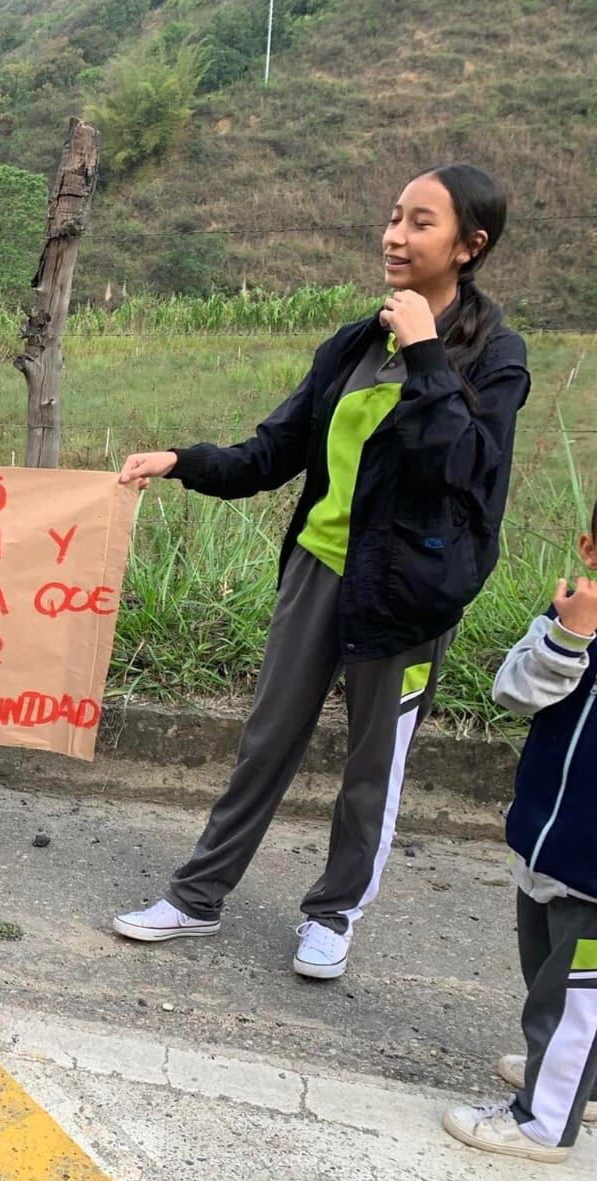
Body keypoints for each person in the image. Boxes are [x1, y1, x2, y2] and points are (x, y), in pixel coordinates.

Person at [112, 164, 529, 979]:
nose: (395, 236)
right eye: (394, 217)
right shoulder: (354, 343)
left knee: (373, 766)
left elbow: (464, 471)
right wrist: (182, 461)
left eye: (420, 222)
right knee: (266, 741)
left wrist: (425, 351)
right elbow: (274, 452)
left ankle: (333, 915)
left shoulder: (495, 356)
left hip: (408, 593)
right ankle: (197, 897)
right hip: (318, 571)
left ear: (469, 245)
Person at [443, 507, 597, 1163]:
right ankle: (579, 1079)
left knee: (570, 1000)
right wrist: (569, 639)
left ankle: (543, 1122)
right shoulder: (565, 620)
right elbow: (513, 692)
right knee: (545, 974)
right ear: (590, 549)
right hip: (547, 844)